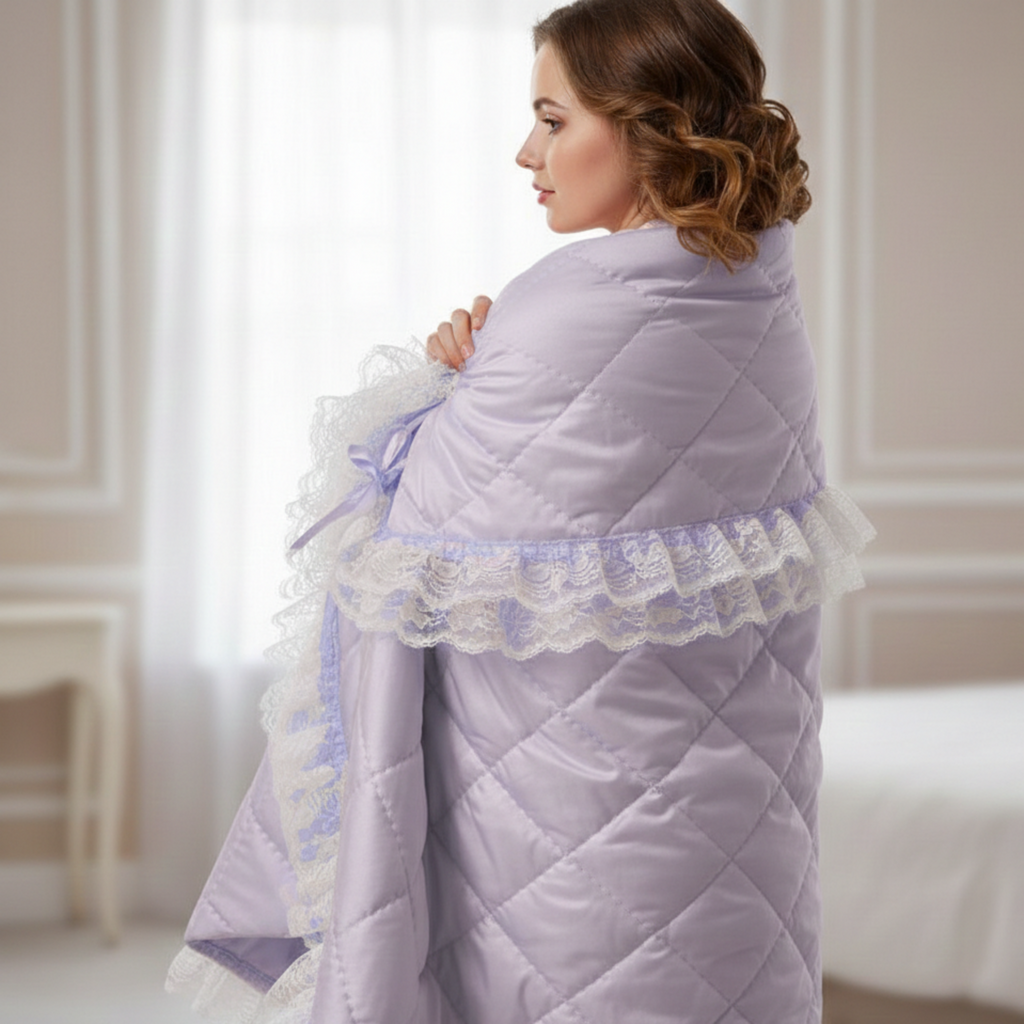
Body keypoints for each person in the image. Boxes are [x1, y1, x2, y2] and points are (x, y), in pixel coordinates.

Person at [167, 1, 874, 1022]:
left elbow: (408, 548)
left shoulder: (566, 304)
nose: (525, 152)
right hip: (739, 802)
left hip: (553, 799)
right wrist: (472, 382)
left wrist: (443, 389)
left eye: (552, 119)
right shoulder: (754, 289)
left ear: (646, 125)